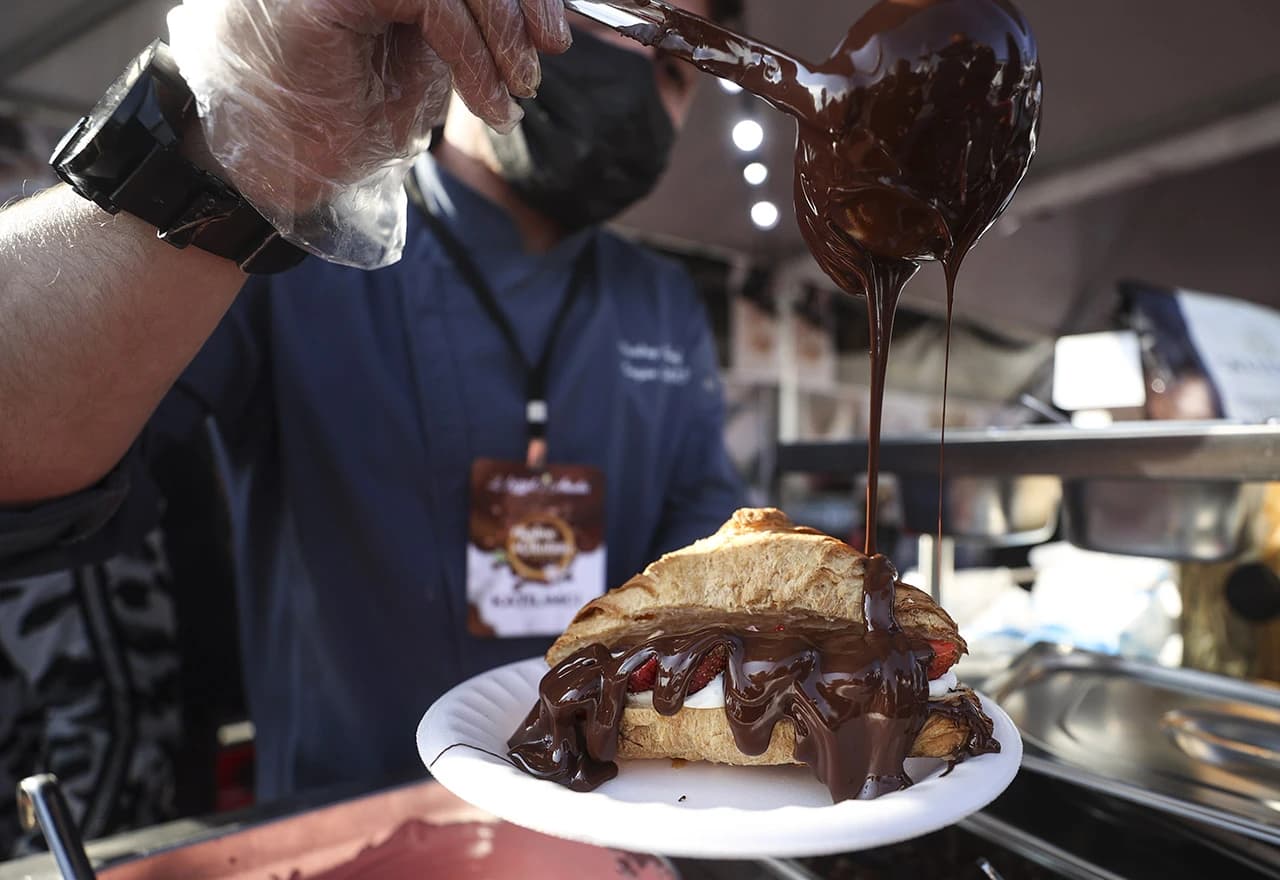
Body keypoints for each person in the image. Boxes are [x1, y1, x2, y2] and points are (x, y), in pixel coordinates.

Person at [0, 0, 743, 803]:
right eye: (605, 19)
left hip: (612, 815)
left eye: (671, 68)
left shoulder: (661, 299)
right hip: (350, 818)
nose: (631, 73)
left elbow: (703, 549)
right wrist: (231, 144)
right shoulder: (293, 235)